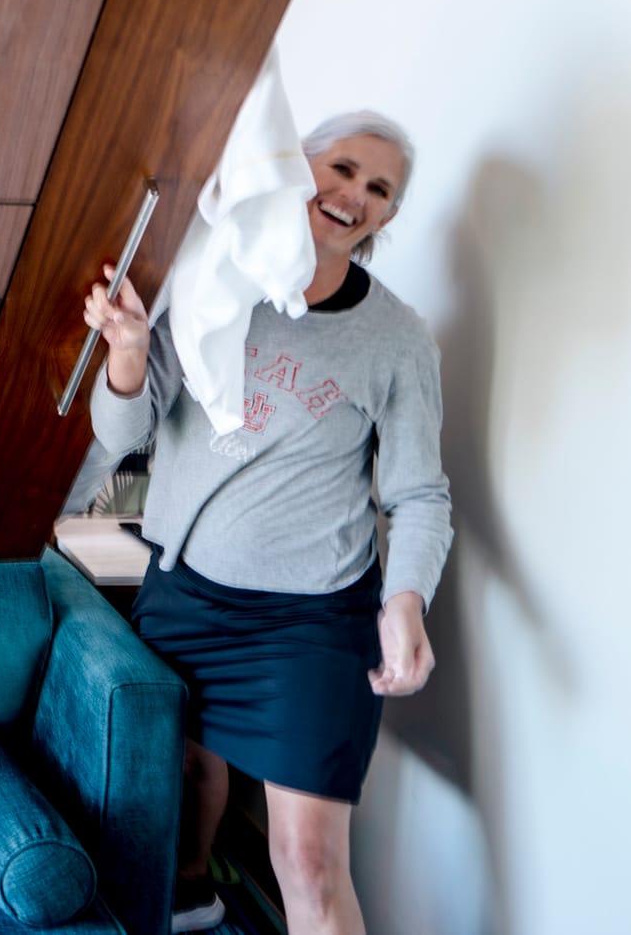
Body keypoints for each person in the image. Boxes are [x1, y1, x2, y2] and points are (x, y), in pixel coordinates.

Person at [82, 111, 451, 935]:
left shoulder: (397, 339)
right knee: (182, 775)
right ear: (292, 164)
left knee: (309, 863)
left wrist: (406, 600)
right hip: (185, 594)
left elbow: (420, 495)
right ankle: (192, 893)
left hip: (311, 624)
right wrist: (131, 347)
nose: (354, 193)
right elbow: (124, 432)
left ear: (388, 215)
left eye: (379, 187)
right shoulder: (209, 283)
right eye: (342, 167)